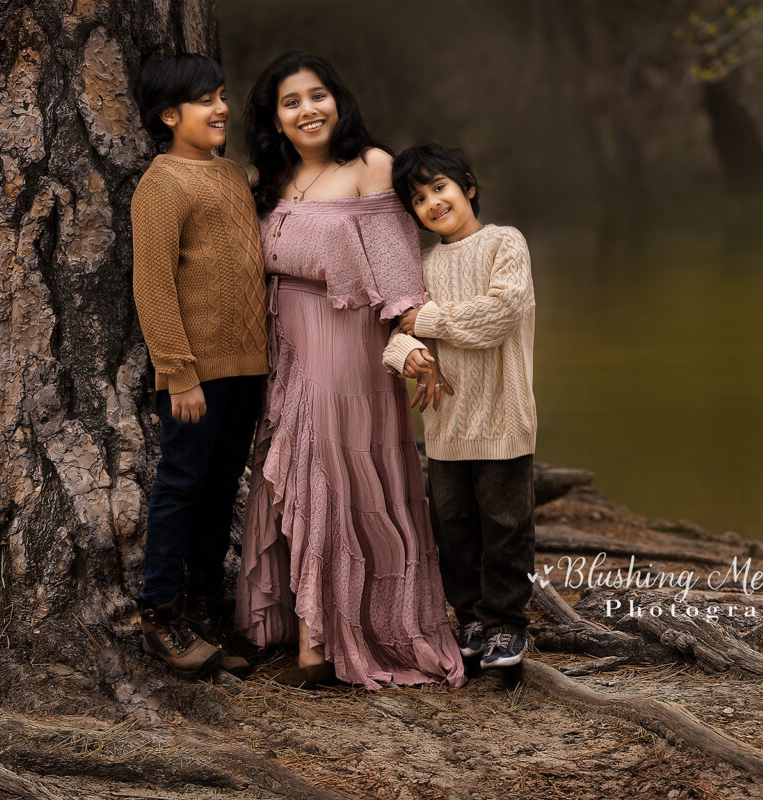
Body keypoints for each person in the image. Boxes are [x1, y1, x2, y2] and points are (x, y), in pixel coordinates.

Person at [235, 53, 466, 690]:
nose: (308, 110)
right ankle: (306, 622)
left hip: (348, 341)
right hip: (284, 341)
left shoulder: (372, 166)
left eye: (318, 96)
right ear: (274, 117)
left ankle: (328, 641)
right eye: (291, 101)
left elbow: (397, 267)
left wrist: (413, 338)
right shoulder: (270, 178)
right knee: (295, 467)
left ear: (339, 101)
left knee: (331, 469)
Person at [131, 53, 267, 678]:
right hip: (196, 372)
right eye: (203, 101)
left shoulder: (233, 174)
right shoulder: (162, 183)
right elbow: (153, 286)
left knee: (219, 489)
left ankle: (207, 606)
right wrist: (178, 371)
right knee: (181, 485)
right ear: (168, 115)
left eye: (220, 95)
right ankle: (161, 611)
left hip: (247, 367)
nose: (220, 109)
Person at [384, 144, 537, 669]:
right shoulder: (420, 268)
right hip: (446, 425)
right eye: (419, 198)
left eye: (440, 187)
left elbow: (501, 313)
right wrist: (414, 355)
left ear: (467, 186)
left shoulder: (504, 243)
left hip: (503, 416)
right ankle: (469, 619)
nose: (432, 202)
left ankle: (507, 625)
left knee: (505, 524)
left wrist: (430, 321)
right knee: (452, 528)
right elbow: (393, 335)